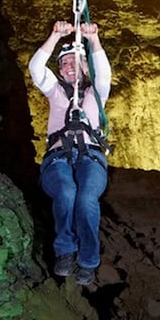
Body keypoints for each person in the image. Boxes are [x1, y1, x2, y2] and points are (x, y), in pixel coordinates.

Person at [29, 21, 112, 288]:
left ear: (84, 67)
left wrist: (94, 41)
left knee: (86, 198)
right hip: (57, 160)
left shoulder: (95, 93)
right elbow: (35, 69)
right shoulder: (54, 90)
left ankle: (88, 261)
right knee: (66, 192)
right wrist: (54, 36)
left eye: (74, 61)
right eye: (64, 63)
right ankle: (65, 251)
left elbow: (103, 74)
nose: (68, 66)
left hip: (90, 158)